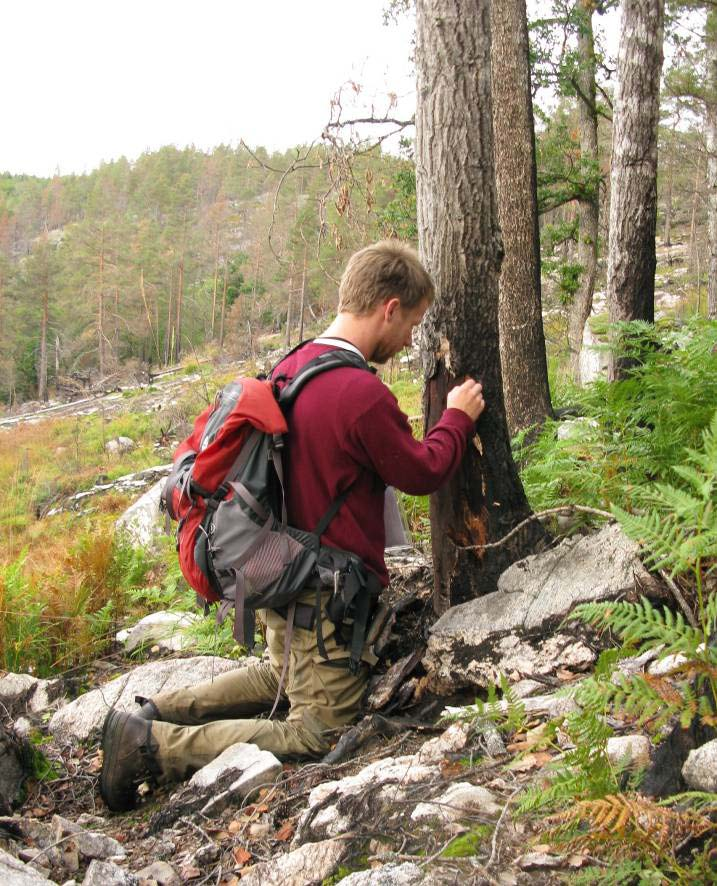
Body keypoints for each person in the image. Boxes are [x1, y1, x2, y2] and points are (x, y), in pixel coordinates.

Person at [100, 240, 485, 811]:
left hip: (278, 570)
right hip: (323, 592)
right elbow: (422, 471)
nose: (411, 339)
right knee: (319, 731)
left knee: (278, 677)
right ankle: (153, 745)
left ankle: (152, 712)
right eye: (412, 322)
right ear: (388, 306)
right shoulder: (360, 393)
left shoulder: (292, 365)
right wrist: (456, 417)